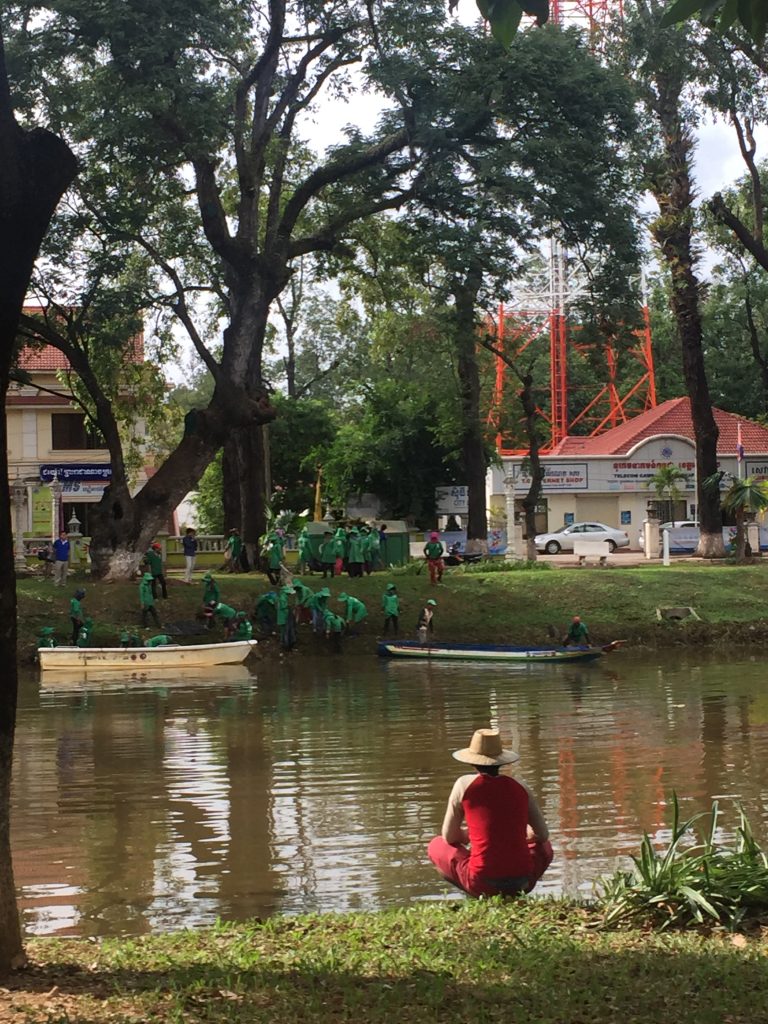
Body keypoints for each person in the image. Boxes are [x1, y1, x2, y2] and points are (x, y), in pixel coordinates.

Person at [427, 728, 553, 898]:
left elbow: (449, 837)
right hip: (524, 881)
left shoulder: (463, 785)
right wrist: (514, 834)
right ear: (501, 762)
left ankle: (474, 893)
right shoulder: (520, 786)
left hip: (481, 883)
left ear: (471, 762)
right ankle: (512, 893)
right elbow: (542, 835)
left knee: (437, 846)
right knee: (545, 847)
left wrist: (472, 835)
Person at [276, 585, 296, 650]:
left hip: (285, 617)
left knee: (285, 631)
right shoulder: (282, 598)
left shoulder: (284, 597)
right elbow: (283, 607)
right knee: (285, 632)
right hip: (284, 617)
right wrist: (290, 607)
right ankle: (286, 645)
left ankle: (286, 644)